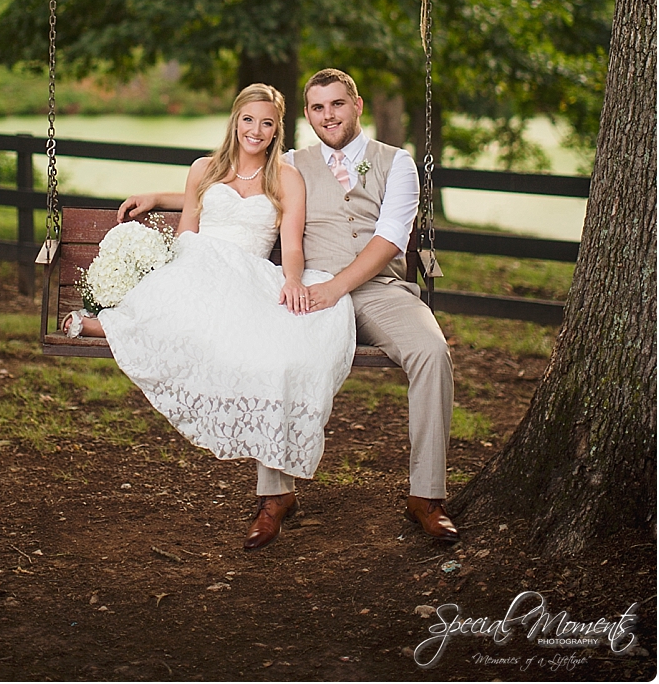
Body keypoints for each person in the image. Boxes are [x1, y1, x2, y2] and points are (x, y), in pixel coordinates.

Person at [123, 69, 458, 543]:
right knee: (275, 351)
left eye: (337, 105)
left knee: (432, 353)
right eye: (318, 108)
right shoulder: (294, 164)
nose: (329, 116)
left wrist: (337, 287)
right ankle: (275, 495)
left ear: (357, 106)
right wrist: (161, 196)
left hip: (377, 289)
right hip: (312, 288)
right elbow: (234, 187)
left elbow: (390, 238)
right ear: (306, 116)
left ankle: (426, 494)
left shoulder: (397, 162)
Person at [62, 83, 356, 551]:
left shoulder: (286, 178)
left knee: (271, 360)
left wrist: (293, 280)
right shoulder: (204, 169)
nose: (255, 131)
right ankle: (119, 322)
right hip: (201, 261)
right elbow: (188, 230)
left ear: (278, 128)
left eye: (266, 123)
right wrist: (163, 207)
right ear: (234, 121)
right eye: (247, 120)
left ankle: (275, 497)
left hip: (249, 273)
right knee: (190, 286)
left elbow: (294, 244)